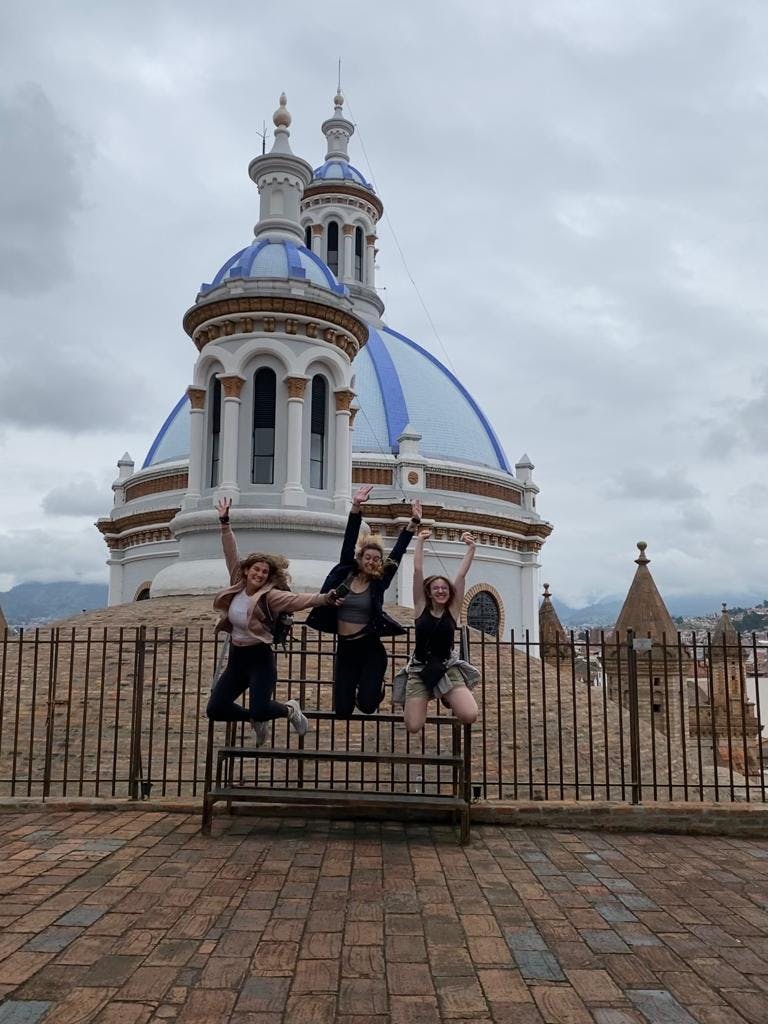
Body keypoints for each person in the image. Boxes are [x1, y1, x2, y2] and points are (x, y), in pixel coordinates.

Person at [207, 497, 340, 745]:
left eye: (264, 572)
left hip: (259, 659)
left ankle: (289, 710)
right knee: (216, 709)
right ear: (246, 570)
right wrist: (225, 523)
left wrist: (326, 598)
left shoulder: (271, 596)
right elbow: (230, 551)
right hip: (237, 658)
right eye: (256, 569)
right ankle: (255, 720)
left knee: (261, 707)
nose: (259, 574)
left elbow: (301, 600)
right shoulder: (237, 582)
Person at [307, 484, 421, 718]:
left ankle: (371, 688)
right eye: (367, 557)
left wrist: (413, 524)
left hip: (370, 649)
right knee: (343, 711)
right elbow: (349, 539)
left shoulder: (379, 582)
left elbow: (397, 554)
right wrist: (356, 506)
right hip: (346, 648)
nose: (371, 562)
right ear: (359, 558)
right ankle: (357, 688)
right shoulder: (344, 572)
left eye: (376, 559)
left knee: (368, 706)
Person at [393, 529, 480, 733]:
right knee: (413, 726)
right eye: (436, 588)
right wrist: (420, 541)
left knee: (470, 714)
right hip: (420, 669)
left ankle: (446, 695)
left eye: (444, 588)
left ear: (449, 592)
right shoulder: (420, 608)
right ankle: (424, 695)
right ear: (429, 593)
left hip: (446, 667)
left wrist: (471, 548)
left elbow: (461, 574)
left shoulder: (452, 610)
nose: (441, 591)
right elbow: (417, 571)